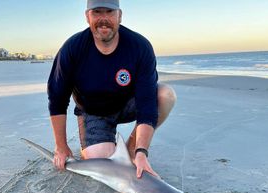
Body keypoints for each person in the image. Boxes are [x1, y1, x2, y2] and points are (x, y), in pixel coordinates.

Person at [48, 0, 176, 178]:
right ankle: (101, 144)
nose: (103, 19)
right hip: (93, 112)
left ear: (120, 15)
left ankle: (131, 149)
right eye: (97, 12)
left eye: (109, 12)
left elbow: (147, 104)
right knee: (103, 165)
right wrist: (61, 146)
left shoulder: (139, 47)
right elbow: (57, 99)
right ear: (87, 16)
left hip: (127, 104)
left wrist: (141, 151)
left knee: (165, 94)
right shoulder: (73, 48)